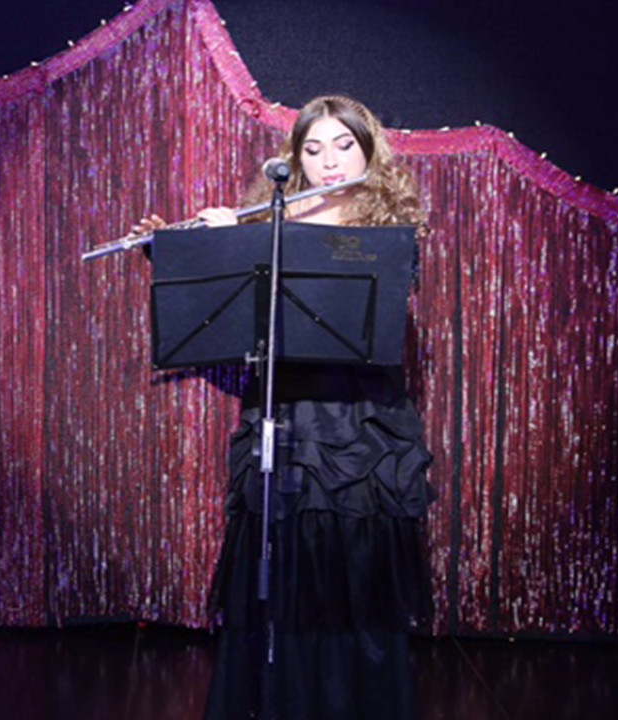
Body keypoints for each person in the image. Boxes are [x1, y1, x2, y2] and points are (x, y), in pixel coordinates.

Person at [138, 95, 435, 719]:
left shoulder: (384, 227)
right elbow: (227, 313)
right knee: (278, 572)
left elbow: (368, 309)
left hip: (357, 425)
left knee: (352, 574)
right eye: (314, 148)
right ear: (296, 158)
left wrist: (262, 239)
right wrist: (198, 249)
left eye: (344, 145)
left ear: (369, 151)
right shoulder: (271, 218)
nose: (330, 161)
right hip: (285, 413)